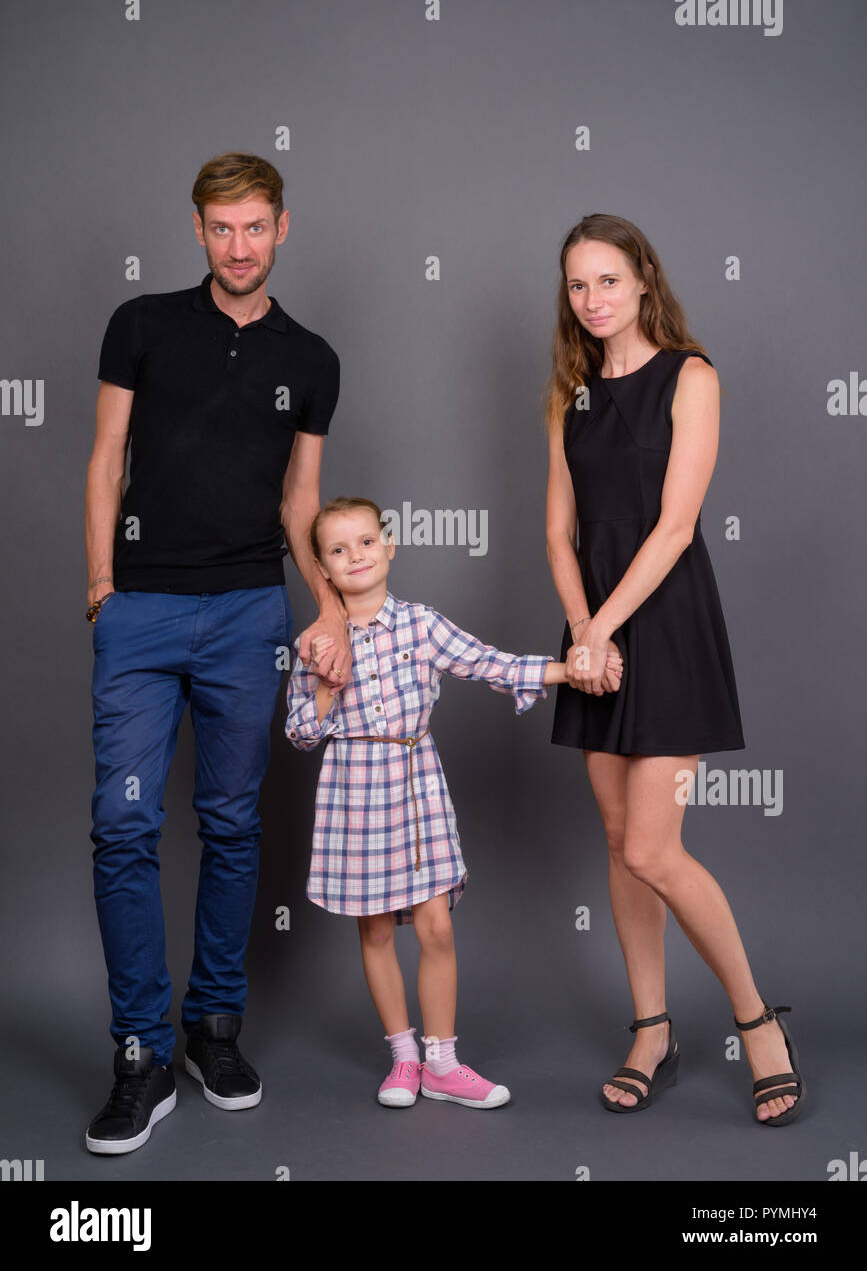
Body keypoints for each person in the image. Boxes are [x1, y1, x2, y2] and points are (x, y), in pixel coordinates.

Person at [83, 151, 349, 1154]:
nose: (238, 246)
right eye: (220, 227)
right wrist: (101, 586)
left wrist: (324, 612)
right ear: (198, 230)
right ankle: (141, 1051)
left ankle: (213, 1027)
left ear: (283, 228)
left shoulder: (311, 357)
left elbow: (299, 499)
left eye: (255, 227)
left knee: (234, 824)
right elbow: (107, 457)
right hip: (142, 614)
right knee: (123, 828)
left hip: (250, 616)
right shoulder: (141, 325)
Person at [545, 213, 804, 1125]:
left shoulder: (691, 377)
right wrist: (581, 633)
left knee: (656, 847)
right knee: (620, 846)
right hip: (594, 636)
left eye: (608, 280)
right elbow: (556, 530)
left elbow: (676, 527)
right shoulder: (569, 393)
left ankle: (756, 1022)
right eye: (578, 285)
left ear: (643, 280)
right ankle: (651, 1029)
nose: (594, 300)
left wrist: (602, 631)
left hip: (664, 624)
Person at [284, 497, 601, 1110]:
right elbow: (298, 734)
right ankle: (403, 1061)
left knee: (435, 925)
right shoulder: (317, 641)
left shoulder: (421, 624)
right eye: (339, 550)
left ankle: (443, 1063)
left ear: (389, 545)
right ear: (321, 567)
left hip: (414, 779)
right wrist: (326, 686)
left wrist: (571, 668)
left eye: (366, 542)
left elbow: (490, 663)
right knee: (375, 928)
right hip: (353, 790)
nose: (356, 557)